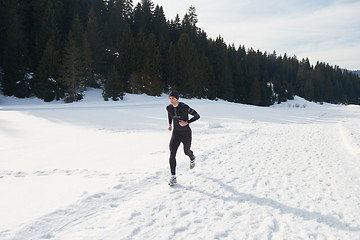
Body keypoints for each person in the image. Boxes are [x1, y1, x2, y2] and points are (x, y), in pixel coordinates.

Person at [166, 90, 200, 186]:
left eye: (173, 98)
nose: (171, 100)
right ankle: (173, 177)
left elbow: (197, 116)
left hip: (186, 133)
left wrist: (187, 122)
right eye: (170, 98)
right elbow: (169, 114)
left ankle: (192, 158)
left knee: (186, 151)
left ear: (177, 99)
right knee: (172, 153)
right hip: (176, 133)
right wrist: (169, 124)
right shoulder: (168, 108)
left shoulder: (184, 107)